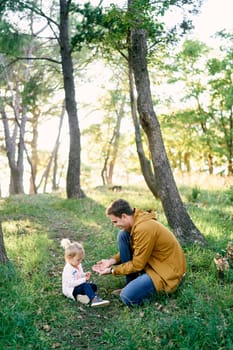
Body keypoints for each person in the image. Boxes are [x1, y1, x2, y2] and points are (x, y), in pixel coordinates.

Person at [92, 199, 186, 307]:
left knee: (127, 297)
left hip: (167, 273)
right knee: (123, 235)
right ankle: (132, 284)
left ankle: (142, 291)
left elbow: (137, 264)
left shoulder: (144, 228)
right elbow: (137, 249)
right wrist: (111, 261)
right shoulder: (137, 221)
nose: (115, 225)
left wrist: (112, 270)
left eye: (115, 221)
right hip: (155, 264)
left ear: (124, 216)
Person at [61, 238, 110, 307]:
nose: (80, 261)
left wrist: (84, 275)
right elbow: (71, 283)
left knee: (93, 286)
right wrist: (84, 279)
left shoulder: (77, 265)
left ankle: (80, 297)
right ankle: (94, 300)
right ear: (69, 258)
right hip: (71, 290)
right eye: (78, 260)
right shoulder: (68, 269)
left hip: (78, 287)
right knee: (86, 286)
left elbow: (79, 275)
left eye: (81, 259)